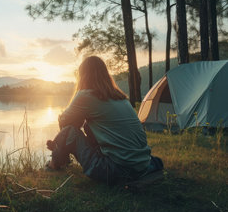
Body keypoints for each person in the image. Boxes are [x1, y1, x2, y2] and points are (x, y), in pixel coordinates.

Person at [46, 56, 163, 185]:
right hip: (143, 165)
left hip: (116, 170)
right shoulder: (119, 97)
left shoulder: (85, 95)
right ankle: (62, 156)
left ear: (83, 76)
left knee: (69, 132)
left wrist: (61, 142)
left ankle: (54, 164)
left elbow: (64, 122)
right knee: (88, 127)